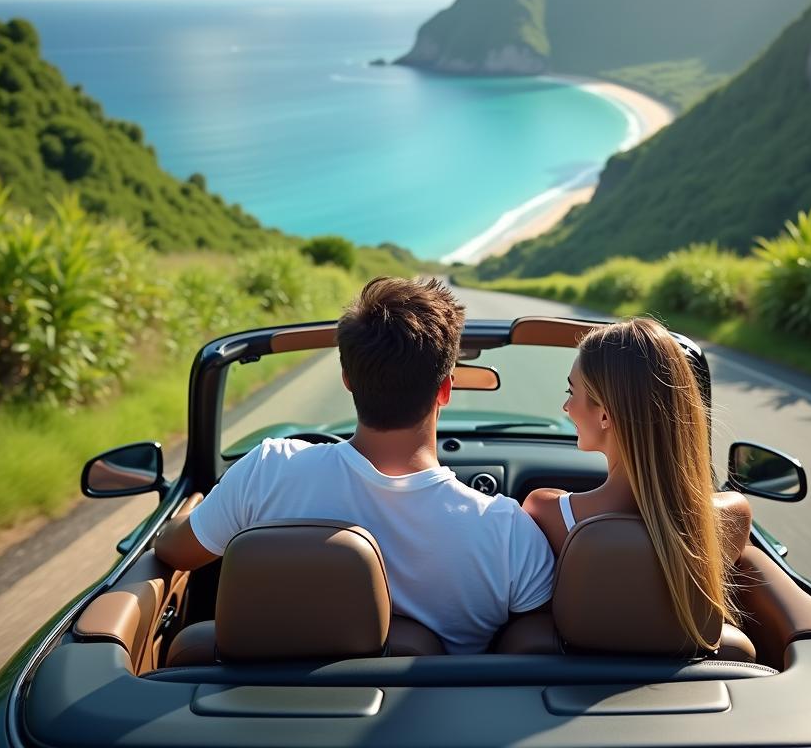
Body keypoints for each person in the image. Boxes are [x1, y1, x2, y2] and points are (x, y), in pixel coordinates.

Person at [155, 276, 554, 654]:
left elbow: (175, 551)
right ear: (446, 389)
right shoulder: (507, 531)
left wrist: (191, 504)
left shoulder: (266, 471)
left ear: (347, 377)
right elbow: (537, 645)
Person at [522, 317, 751, 650]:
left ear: (605, 415)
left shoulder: (546, 512)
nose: (566, 406)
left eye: (572, 392)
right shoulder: (732, 517)